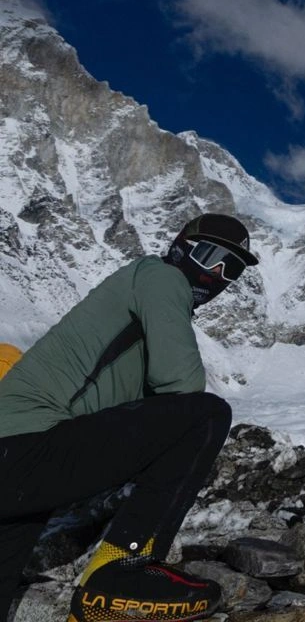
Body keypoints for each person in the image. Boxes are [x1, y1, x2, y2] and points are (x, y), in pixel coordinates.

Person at [0, 213, 259, 622]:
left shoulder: (139, 289)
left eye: (234, 268)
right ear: (180, 248)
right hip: (31, 443)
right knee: (206, 416)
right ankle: (119, 574)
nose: (218, 275)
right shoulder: (160, 277)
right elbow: (182, 383)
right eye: (210, 256)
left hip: (17, 463)